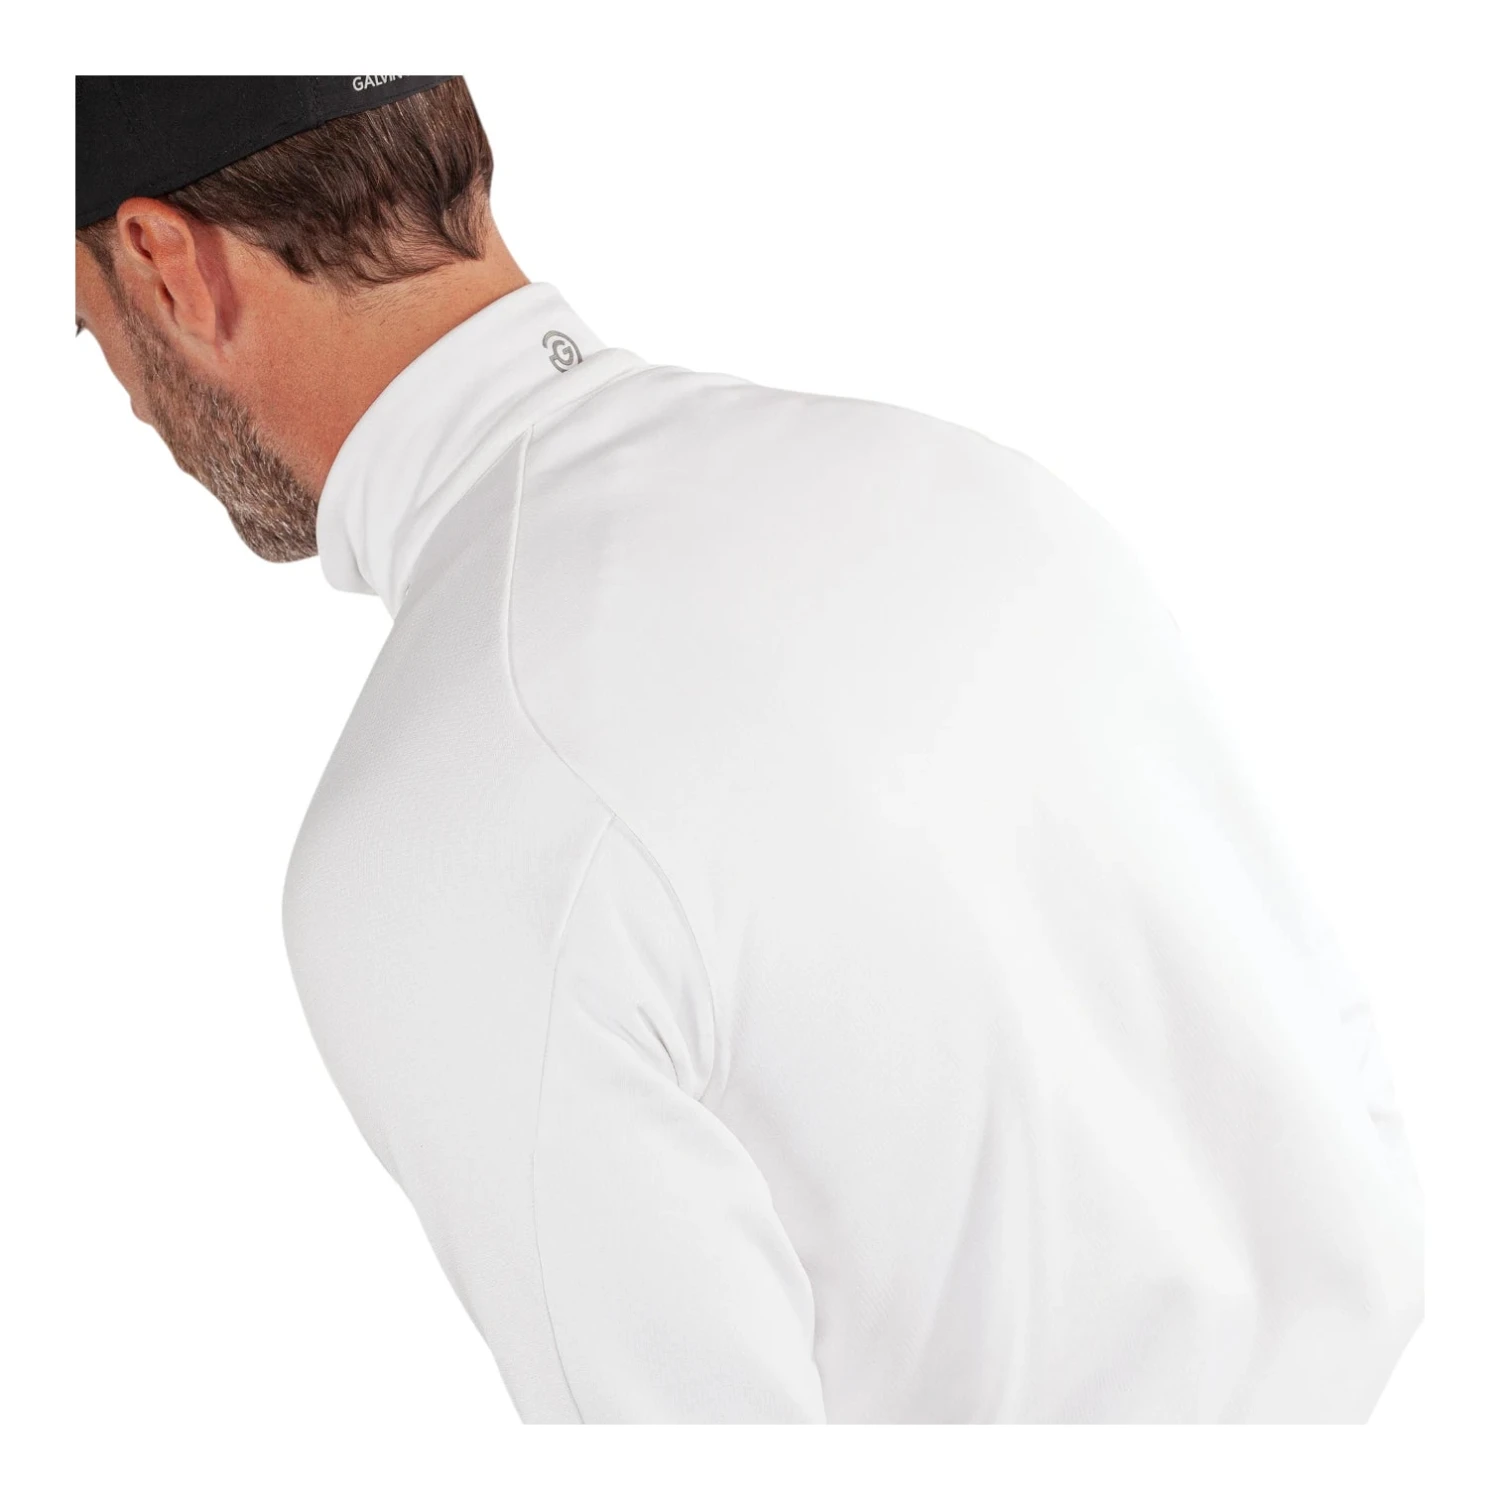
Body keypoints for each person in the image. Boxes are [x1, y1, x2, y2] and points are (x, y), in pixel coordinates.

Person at [74, 74, 1424, 1424]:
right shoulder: (976, 490)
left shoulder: (437, 819)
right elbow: (1334, 1080)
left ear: (163, 262)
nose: (129, 400)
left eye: (88, 328)